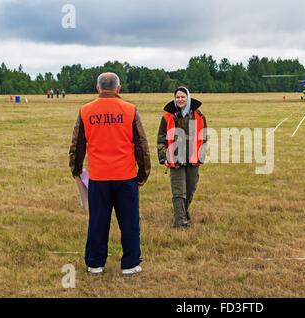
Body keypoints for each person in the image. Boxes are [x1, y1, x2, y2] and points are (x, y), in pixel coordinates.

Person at [69, 72, 151, 275]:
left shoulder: (85, 110)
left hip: (99, 177)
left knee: (98, 221)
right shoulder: (130, 110)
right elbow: (142, 144)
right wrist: (143, 173)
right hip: (126, 176)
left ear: (98, 89)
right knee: (129, 221)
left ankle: (95, 264)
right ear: (118, 88)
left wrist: (76, 169)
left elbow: (77, 144)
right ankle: (130, 264)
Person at [157, 86, 207, 228]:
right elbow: (161, 138)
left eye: (182, 97)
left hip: (193, 160)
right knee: (179, 191)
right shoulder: (167, 117)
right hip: (175, 159)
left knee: (190, 189)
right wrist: (163, 157)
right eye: (177, 97)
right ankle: (179, 221)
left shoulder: (199, 116)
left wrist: (201, 156)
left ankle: (183, 212)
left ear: (188, 98)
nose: (180, 99)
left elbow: (203, 137)